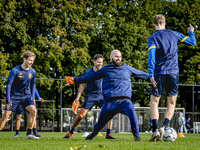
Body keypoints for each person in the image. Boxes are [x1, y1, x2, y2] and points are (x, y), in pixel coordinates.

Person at [67, 50, 150, 141]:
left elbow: (141, 73)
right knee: (100, 123)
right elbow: (89, 77)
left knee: (133, 115)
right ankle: (92, 135)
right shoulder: (105, 69)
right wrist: (75, 80)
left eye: (120, 56)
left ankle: (137, 137)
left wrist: (152, 78)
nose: (118, 58)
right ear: (111, 57)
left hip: (125, 101)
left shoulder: (127, 68)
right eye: (116, 56)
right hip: (109, 102)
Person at [147, 14, 196, 141]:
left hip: (159, 72)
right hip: (173, 72)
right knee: (172, 102)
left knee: (154, 102)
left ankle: (156, 129)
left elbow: (151, 57)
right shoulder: (174, 34)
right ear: (164, 23)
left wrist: (151, 74)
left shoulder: (152, 38)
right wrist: (191, 32)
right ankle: (164, 127)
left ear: (154, 25)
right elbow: (192, 42)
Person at [64, 54, 115, 139]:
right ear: (94, 62)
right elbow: (82, 84)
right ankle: (71, 132)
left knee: (109, 112)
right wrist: (77, 98)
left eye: (101, 62)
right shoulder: (88, 72)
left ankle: (108, 134)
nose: (100, 64)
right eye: (98, 62)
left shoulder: (104, 71)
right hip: (90, 96)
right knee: (81, 116)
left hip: (101, 96)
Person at [0, 51, 42, 139]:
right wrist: (8, 99)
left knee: (33, 111)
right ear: (24, 59)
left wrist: (33, 97)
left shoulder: (33, 72)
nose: (32, 62)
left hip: (26, 96)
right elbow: (8, 85)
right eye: (30, 60)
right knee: (5, 116)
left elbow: (33, 84)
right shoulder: (15, 71)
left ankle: (29, 134)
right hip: (13, 96)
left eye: (33, 60)